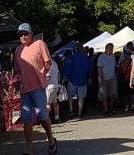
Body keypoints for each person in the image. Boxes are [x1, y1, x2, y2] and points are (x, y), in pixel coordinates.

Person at [13, 23, 58, 155]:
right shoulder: (18, 50)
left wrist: (41, 75)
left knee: (42, 115)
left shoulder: (39, 44)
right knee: (26, 119)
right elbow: (17, 70)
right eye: (20, 34)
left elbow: (48, 62)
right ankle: (29, 147)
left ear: (31, 34)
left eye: (25, 33)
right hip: (24, 89)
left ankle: (51, 139)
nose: (23, 36)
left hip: (38, 86)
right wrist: (14, 84)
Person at [63, 45, 92, 117]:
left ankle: (71, 110)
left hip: (73, 79)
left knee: (70, 96)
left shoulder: (72, 57)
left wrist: (66, 76)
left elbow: (69, 68)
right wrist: (89, 76)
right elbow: (89, 69)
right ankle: (79, 113)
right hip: (83, 80)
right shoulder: (86, 57)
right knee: (81, 97)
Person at [96, 42, 118, 116]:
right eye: (110, 48)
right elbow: (99, 68)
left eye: (112, 48)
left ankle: (110, 106)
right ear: (106, 48)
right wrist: (101, 79)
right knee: (104, 94)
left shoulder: (113, 56)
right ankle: (106, 109)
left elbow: (114, 66)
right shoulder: (101, 57)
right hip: (104, 78)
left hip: (112, 77)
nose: (112, 50)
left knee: (113, 93)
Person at [117, 41, 134, 113]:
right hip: (124, 79)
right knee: (126, 94)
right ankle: (127, 106)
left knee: (131, 94)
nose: (127, 55)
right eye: (126, 54)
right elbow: (119, 70)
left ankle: (132, 105)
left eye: (128, 54)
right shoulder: (122, 62)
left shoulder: (132, 62)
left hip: (131, 79)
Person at [45, 55, 62, 124]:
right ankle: (57, 118)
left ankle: (46, 119)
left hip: (49, 86)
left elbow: (48, 77)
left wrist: (44, 85)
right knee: (55, 102)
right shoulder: (55, 63)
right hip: (56, 85)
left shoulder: (47, 64)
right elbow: (58, 75)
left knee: (48, 103)